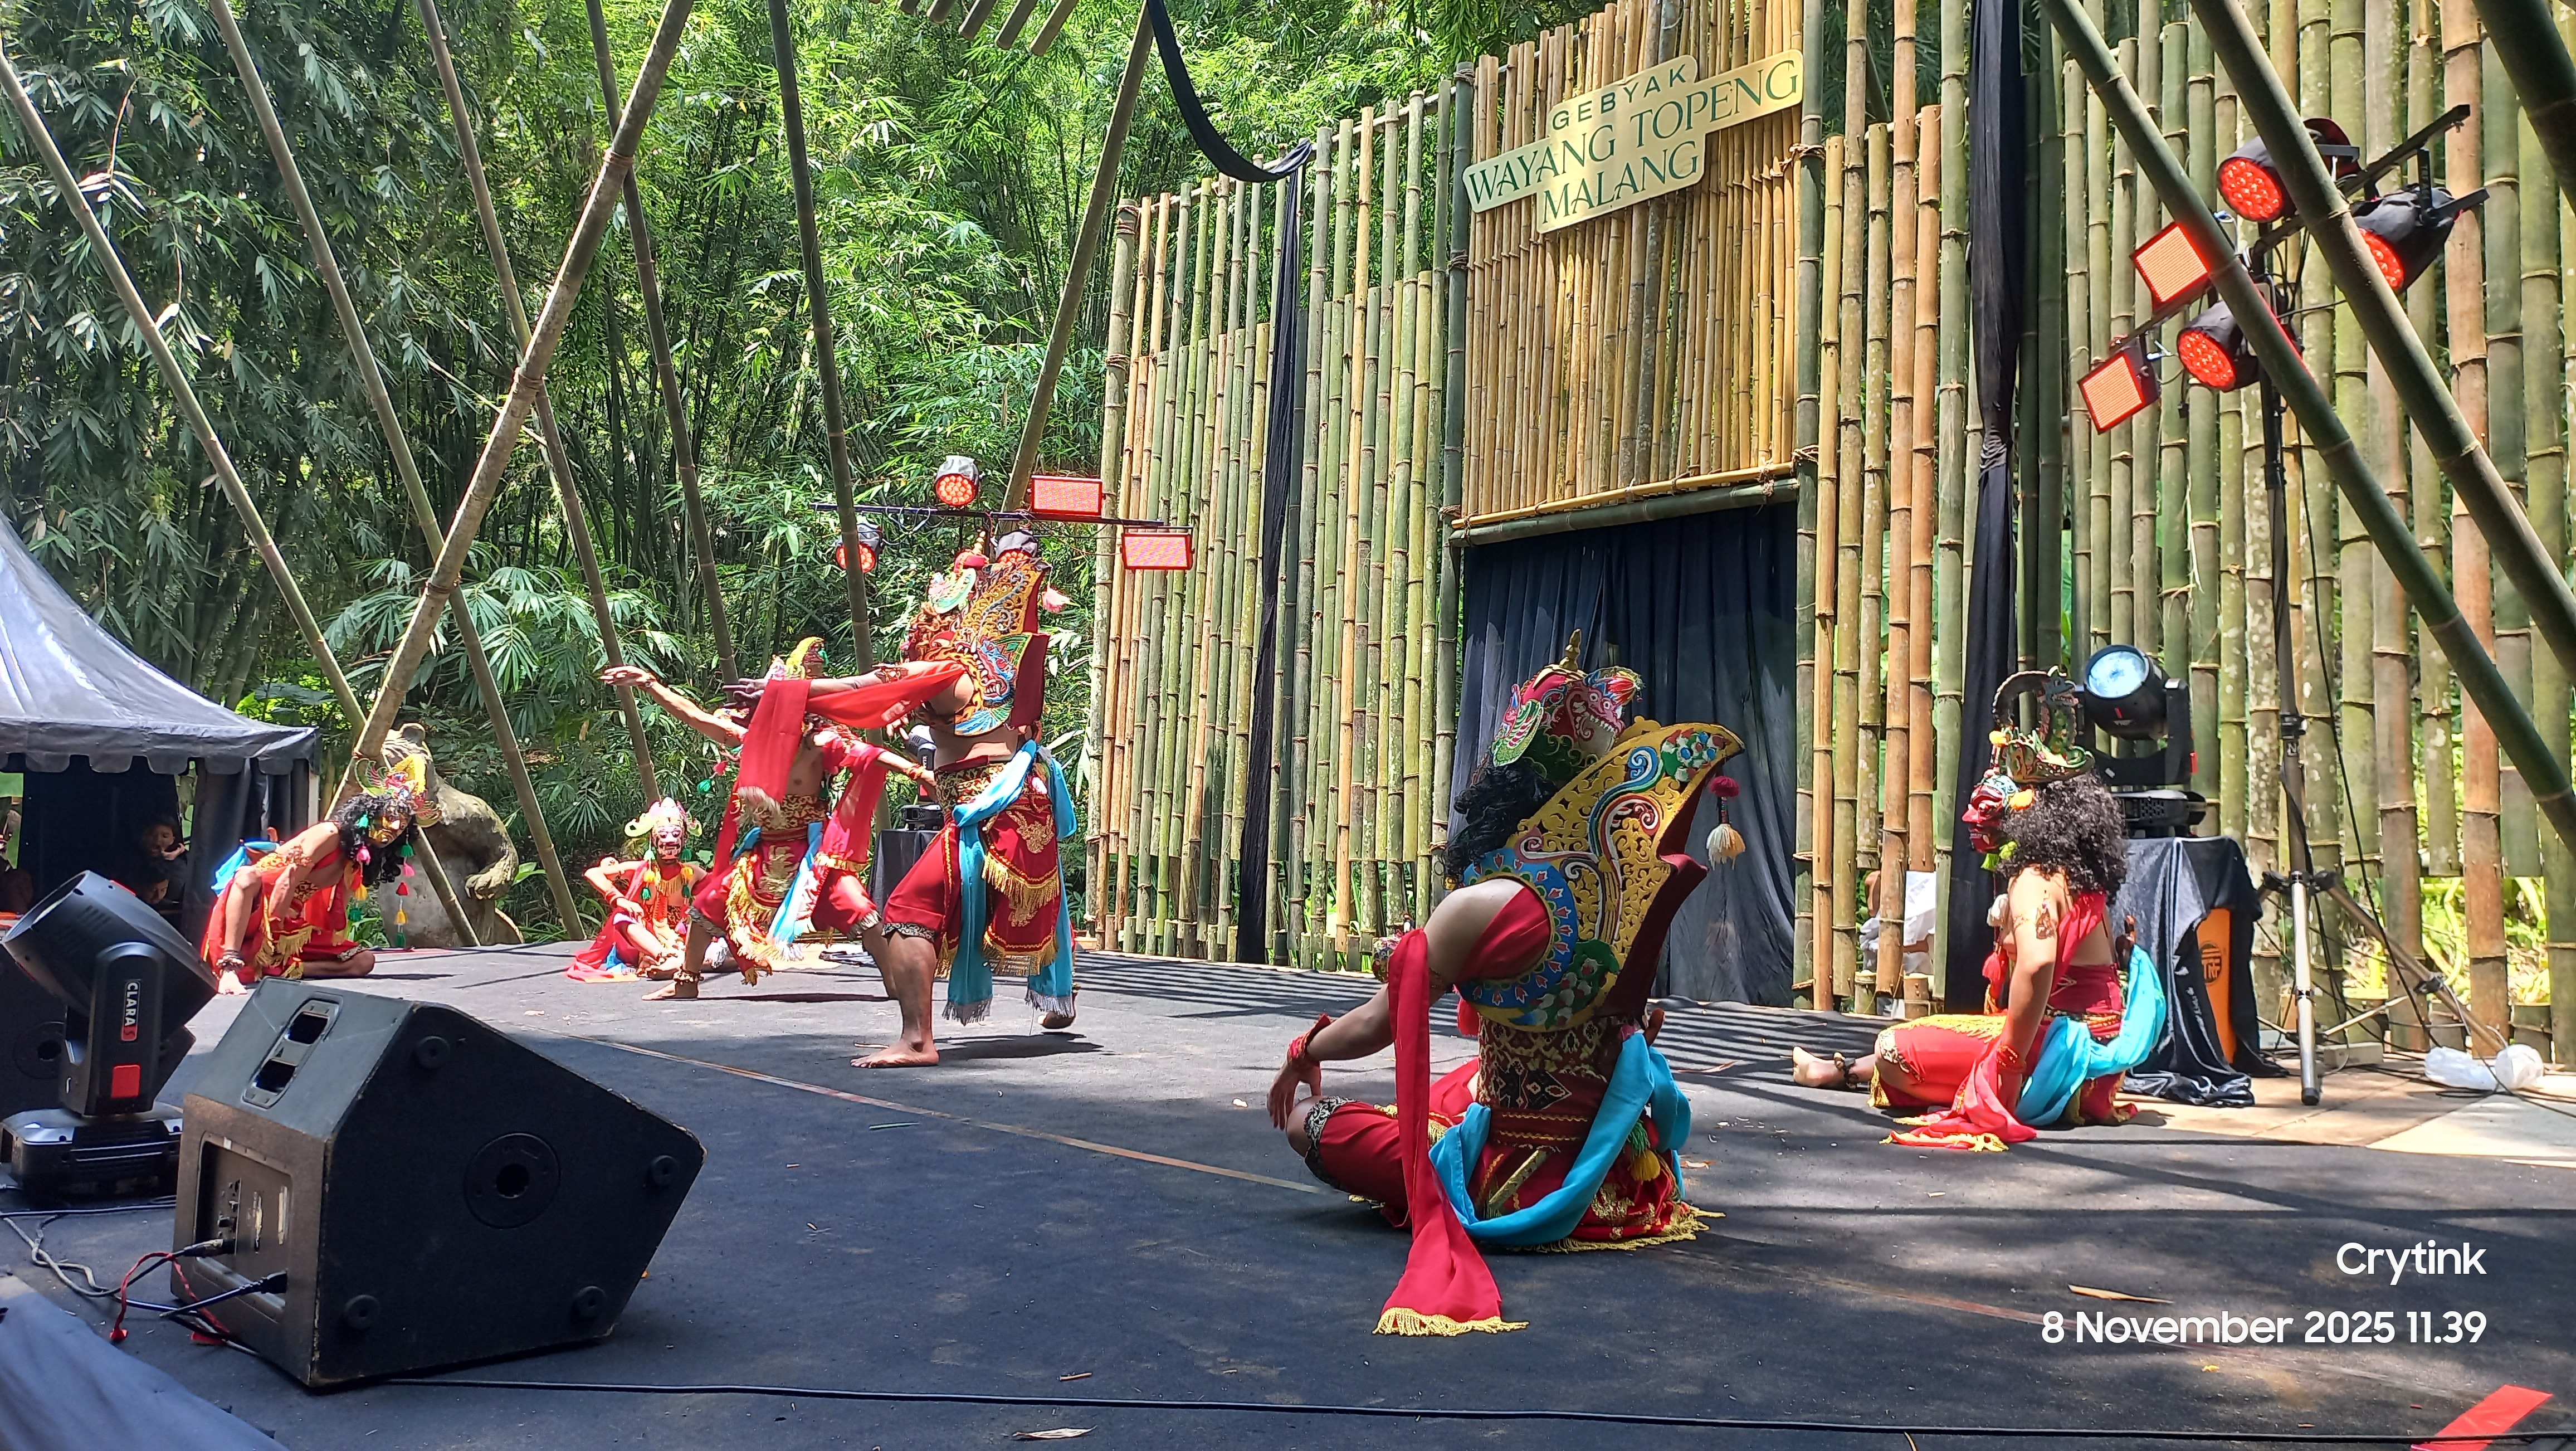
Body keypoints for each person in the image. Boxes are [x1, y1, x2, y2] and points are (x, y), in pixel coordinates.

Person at [1262, 634, 1740, 1335]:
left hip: (1515, 1179)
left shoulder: (1477, 906)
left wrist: (1304, 1050)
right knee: (1461, 1086)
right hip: (1626, 1176)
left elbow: (1378, 1023)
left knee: (1310, 1123)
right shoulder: (1619, 891)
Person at [1790, 675, 2169, 1151]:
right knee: (1932, 1033)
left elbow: (2038, 962)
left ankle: (1970, 1082)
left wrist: (2008, 1064)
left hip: (2059, 1060)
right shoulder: (2074, 874)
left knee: (1895, 1047)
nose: (1983, 822)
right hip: (2097, 1067)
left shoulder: (2036, 877)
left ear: (2031, 811)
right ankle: (1842, 1071)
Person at [743, 527, 1075, 1068]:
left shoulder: (948, 668)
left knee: (907, 911)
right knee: (1026, 904)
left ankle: (918, 1041)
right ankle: (1060, 997)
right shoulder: (985, 670)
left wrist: (789, 691)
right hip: (1016, 807)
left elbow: (869, 686)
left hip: (988, 812)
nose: (916, 638)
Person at [603, 642, 952, 1001]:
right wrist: (650, 684)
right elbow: (695, 716)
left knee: (861, 910)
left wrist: (919, 773)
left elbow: (870, 754)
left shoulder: (815, 742)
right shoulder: (750, 740)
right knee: (706, 906)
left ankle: (896, 986)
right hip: (763, 851)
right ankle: (686, 982)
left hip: (810, 856)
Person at [201, 759, 436, 992]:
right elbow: (288, 880)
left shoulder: (357, 858)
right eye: (391, 817)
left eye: (403, 825)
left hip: (290, 924)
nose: (395, 828)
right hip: (256, 910)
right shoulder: (329, 833)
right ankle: (230, 968)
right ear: (371, 812)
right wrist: (274, 929)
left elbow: (336, 911)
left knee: (363, 961)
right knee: (247, 876)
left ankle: (285, 970)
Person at [567, 798, 701, 981]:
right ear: (653, 840)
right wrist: (619, 899)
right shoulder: (640, 869)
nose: (670, 841)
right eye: (663, 835)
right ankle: (666, 958)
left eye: (676, 834)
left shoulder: (693, 874)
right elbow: (593, 873)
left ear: (684, 839)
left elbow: (720, 891)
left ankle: (686, 960)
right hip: (639, 944)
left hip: (679, 940)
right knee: (621, 918)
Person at [120, 818, 190, 908]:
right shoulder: (126, 860)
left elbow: (174, 893)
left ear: (172, 840)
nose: (158, 840)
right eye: (151, 834)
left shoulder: (179, 865)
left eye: (165, 836)